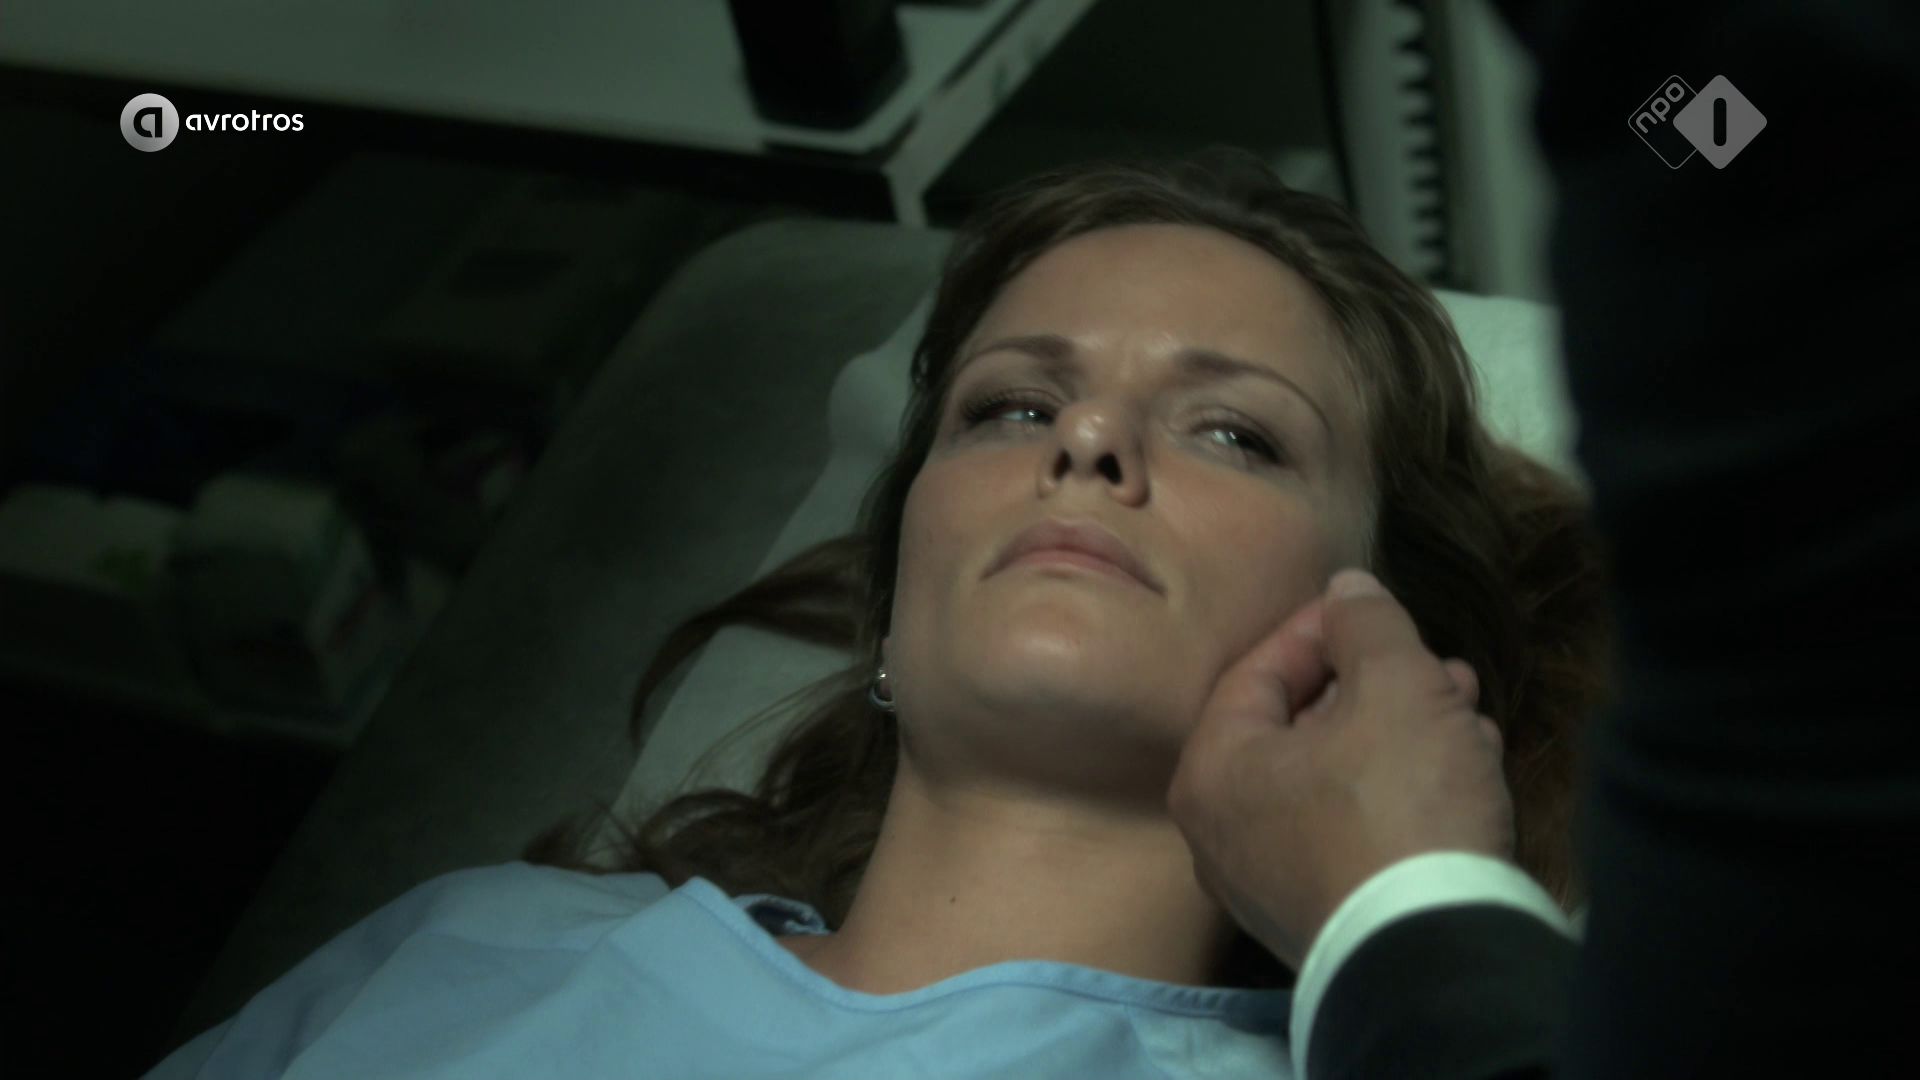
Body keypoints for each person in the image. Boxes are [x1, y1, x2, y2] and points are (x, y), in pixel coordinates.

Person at [143, 145, 1611, 1076]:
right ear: (893, 599)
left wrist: (1402, 908)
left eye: (1236, 432)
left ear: (1383, 649)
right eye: (1011, 405)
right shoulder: (479, 944)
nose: (1086, 440)